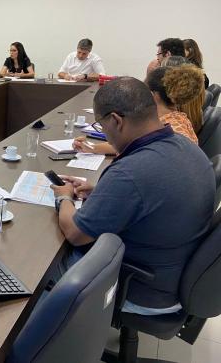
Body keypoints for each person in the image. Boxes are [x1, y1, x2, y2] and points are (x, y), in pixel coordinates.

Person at [52, 77, 214, 315]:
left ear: (116, 120)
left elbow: (76, 234)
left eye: (101, 126)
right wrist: (101, 193)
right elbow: (154, 194)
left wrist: (64, 197)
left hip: (141, 288)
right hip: (174, 274)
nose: (104, 134)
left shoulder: (130, 171)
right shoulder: (185, 145)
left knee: (42, 268)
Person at [73, 65, 205, 153]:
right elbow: (134, 143)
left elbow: (136, 146)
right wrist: (93, 148)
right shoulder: (179, 118)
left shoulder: (169, 131)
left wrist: (93, 148)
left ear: (152, 96)